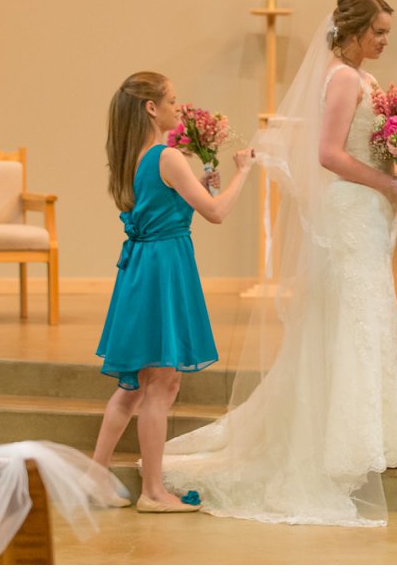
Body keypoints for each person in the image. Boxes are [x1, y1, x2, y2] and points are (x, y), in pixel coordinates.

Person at [162, 0, 397, 526]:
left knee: (361, 319)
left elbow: (365, 145)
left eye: (385, 34)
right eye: (376, 32)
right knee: (347, 321)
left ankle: (360, 439)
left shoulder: (364, 79)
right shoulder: (345, 77)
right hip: (350, 211)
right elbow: (328, 154)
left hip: (368, 211)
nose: (382, 41)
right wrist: (386, 183)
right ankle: (337, 448)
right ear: (351, 32)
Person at [90, 71, 254, 512]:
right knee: (162, 382)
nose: (177, 108)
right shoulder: (168, 156)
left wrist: (200, 186)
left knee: (136, 387)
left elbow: (169, 203)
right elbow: (216, 213)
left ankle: (95, 477)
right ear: (150, 107)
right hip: (164, 268)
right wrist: (243, 173)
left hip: (146, 267)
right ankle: (153, 492)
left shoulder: (137, 156)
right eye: (172, 101)